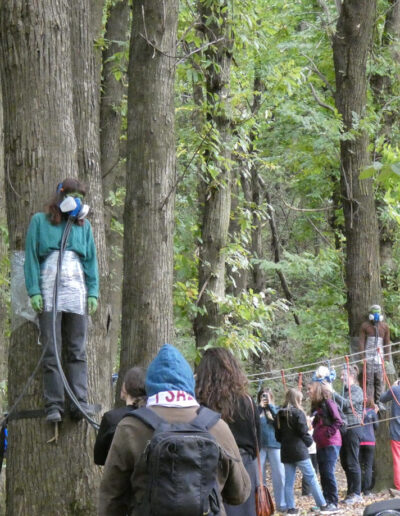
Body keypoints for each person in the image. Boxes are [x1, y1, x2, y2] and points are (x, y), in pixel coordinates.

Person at [98, 344, 251, 516]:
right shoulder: (217, 426)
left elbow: (111, 496)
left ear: (150, 385)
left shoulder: (131, 427)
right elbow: (240, 493)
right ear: (190, 383)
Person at [24, 178, 99, 422]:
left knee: (77, 350)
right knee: (51, 349)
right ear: (60, 195)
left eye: (81, 198)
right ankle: (54, 405)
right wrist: (34, 290)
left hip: (76, 291)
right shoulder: (39, 221)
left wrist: (93, 292)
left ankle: (79, 402)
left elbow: (91, 261)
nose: (77, 202)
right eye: (72, 196)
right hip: (49, 291)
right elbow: (31, 258)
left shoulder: (83, 227)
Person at [195, 347, 259, 516]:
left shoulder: (199, 404)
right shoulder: (247, 401)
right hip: (244, 468)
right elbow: (257, 442)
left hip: (211, 467)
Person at [274, 388, 333, 514]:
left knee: (289, 481)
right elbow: (303, 431)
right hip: (299, 451)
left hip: (286, 451)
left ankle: (291, 509)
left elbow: (278, 436)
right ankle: (322, 505)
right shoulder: (298, 413)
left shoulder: (279, 414)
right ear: (297, 399)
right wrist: (311, 442)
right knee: (311, 477)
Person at [94, 367, 146, 465]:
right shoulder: (154, 416)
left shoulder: (111, 418)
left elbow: (99, 459)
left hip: (119, 473)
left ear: (125, 387)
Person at [333, 364, 364, 505]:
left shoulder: (357, 390)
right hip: (344, 430)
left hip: (354, 428)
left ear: (351, 376)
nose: (341, 377)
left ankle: (356, 493)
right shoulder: (344, 391)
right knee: (345, 462)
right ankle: (350, 491)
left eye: (343, 375)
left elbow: (346, 404)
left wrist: (332, 392)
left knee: (352, 461)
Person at [310, 381, 342, 513]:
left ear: (317, 390)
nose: (308, 392)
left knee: (328, 472)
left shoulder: (329, 403)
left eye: (310, 389)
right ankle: (325, 501)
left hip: (331, 443)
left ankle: (333, 502)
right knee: (323, 473)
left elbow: (338, 421)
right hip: (320, 444)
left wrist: (328, 433)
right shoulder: (316, 406)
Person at [257, 388, 286, 512]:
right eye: (263, 396)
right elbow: (252, 422)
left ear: (271, 397)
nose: (265, 398)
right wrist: (260, 408)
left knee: (279, 474)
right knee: (259, 476)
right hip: (260, 446)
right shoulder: (256, 410)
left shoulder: (277, 409)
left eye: (267, 396)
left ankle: (282, 504)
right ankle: (262, 506)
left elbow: (280, 421)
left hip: (275, 445)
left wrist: (270, 406)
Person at [359, 304, 391, 405]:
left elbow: (387, 343)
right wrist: (362, 357)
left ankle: (380, 402)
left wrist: (387, 359)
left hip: (380, 358)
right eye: (374, 312)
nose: (376, 315)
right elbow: (361, 342)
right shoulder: (365, 326)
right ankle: (370, 403)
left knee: (380, 381)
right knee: (369, 381)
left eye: (378, 312)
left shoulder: (384, 327)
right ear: (371, 314)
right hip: (368, 358)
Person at [380, 380, 400, 497]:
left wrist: (392, 386)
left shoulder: (396, 389)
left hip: (396, 432)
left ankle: (399, 486)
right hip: (396, 432)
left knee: (397, 460)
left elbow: (382, 398)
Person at [359, 397, 378, 496]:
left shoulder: (358, 412)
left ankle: (358, 489)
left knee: (358, 465)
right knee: (368, 466)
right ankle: (366, 490)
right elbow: (376, 426)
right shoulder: (372, 412)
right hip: (370, 442)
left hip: (359, 441)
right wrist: (376, 413)